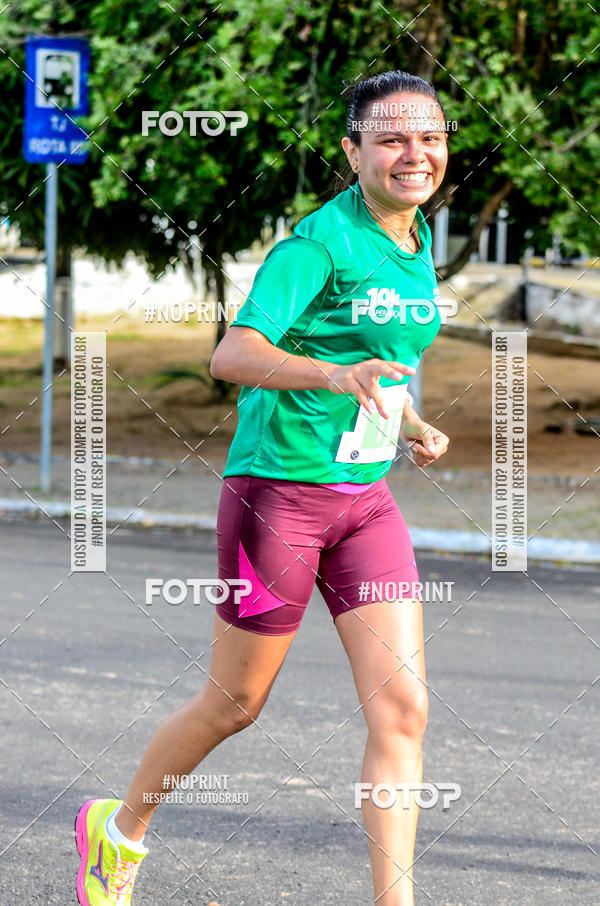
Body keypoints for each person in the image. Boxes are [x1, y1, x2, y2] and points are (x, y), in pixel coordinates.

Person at [74, 69, 450, 906]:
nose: (413, 153)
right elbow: (232, 355)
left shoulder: (417, 238)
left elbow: (381, 367)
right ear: (353, 151)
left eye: (429, 136)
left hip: (366, 501)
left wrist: (413, 425)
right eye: (390, 138)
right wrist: (331, 373)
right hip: (277, 496)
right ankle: (119, 831)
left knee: (405, 713)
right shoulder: (314, 245)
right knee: (235, 703)